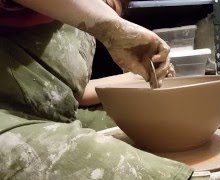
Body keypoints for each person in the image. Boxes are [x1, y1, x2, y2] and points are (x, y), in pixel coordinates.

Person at [0, 0, 194, 179]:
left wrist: (137, 77)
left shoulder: (79, 26)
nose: (106, 10)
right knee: (137, 169)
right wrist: (109, 26)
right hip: (6, 114)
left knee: (147, 121)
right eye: (106, 2)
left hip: (45, 112)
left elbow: (69, 94)